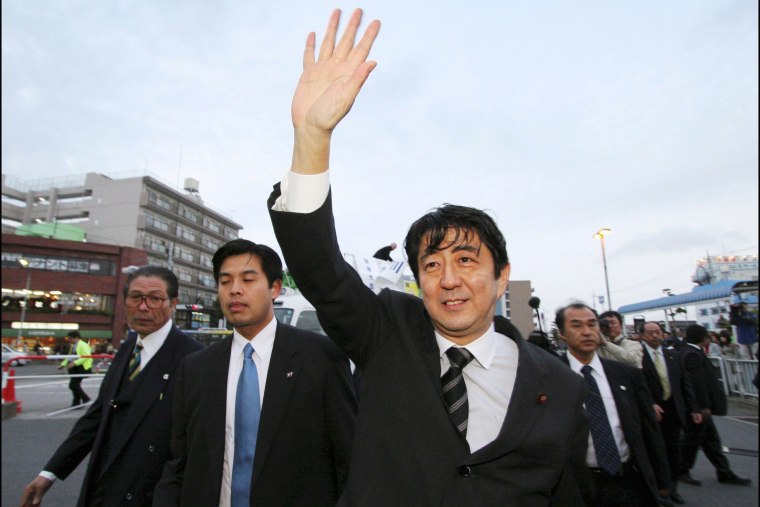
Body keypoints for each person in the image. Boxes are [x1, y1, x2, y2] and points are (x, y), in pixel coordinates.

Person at [268, 9, 589, 504]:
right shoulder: (386, 335)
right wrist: (313, 137)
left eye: (466, 260)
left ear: (502, 277)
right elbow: (322, 273)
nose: (449, 279)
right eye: (432, 265)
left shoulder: (561, 388)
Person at [154, 239, 356, 506]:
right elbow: (179, 460)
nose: (234, 290)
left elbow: (348, 459)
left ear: (275, 288)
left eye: (248, 280)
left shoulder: (321, 358)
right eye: (225, 282)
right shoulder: (195, 368)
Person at [20, 266, 204, 507]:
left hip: (150, 493)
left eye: (155, 299)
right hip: (103, 485)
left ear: (173, 304)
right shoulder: (128, 348)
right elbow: (96, 417)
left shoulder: (195, 359)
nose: (143, 307)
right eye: (136, 297)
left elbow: (197, 447)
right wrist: (50, 473)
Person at [556, 304, 671, 506]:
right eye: (576, 326)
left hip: (626, 480)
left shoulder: (627, 375)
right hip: (575, 485)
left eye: (592, 325)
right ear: (562, 334)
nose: (587, 332)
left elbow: (649, 430)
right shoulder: (550, 377)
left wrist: (661, 479)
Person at [677, 324, 751, 487]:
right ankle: (682, 469)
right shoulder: (693, 354)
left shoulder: (685, 351)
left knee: (711, 441)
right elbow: (697, 384)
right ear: (703, 338)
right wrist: (701, 407)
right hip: (699, 408)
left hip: (697, 407)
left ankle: (724, 471)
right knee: (692, 440)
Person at [639, 321, 702, 505]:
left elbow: (685, 384)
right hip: (652, 411)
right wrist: (649, 403)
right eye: (650, 333)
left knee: (674, 451)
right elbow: (638, 385)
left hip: (674, 410)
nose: (655, 336)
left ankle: (672, 488)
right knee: (656, 452)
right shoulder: (638, 357)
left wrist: (693, 409)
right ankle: (659, 489)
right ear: (643, 335)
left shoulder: (673, 355)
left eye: (658, 332)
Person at [58, 330, 93, 407]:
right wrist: (63, 364)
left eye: (70, 338)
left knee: (73, 385)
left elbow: (86, 356)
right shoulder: (73, 345)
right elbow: (70, 356)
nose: (69, 340)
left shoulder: (83, 345)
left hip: (81, 368)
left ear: (76, 338)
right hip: (75, 368)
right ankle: (76, 402)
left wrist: (74, 363)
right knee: (75, 385)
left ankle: (85, 398)